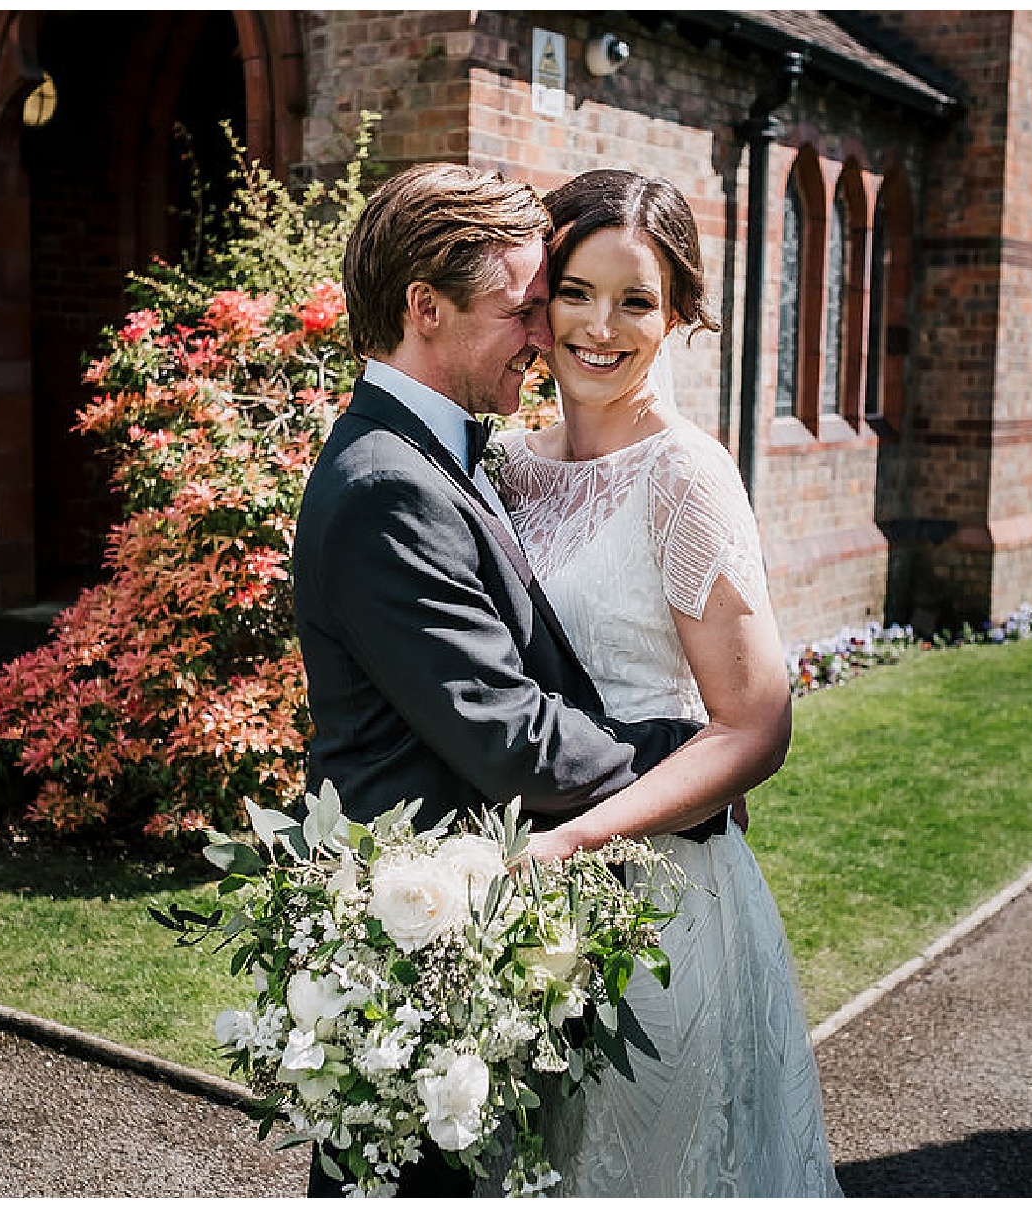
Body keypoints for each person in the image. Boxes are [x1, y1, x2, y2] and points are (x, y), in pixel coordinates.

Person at [292, 162, 728, 1197]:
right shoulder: (388, 485)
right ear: (426, 309)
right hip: (422, 961)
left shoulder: (436, 454)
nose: (544, 334)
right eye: (522, 308)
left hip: (470, 949)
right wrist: (687, 757)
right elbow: (507, 733)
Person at [489, 168, 842, 1196]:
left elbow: (754, 726)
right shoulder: (505, 465)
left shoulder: (687, 475)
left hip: (659, 903)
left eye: (636, 299)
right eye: (577, 292)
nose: (601, 326)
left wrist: (579, 837)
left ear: (680, 313)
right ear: (539, 299)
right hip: (520, 897)